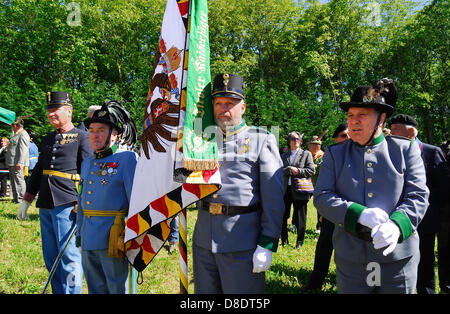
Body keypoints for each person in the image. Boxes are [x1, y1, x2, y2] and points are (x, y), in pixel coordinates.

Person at [314, 78, 429, 293]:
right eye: (350, 115)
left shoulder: (405, 151)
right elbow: (321, 196)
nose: (354, 122)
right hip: (352, 259)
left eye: (362, 115)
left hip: (398, 258)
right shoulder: (335, 154)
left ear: (381, 119)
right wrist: (357, 213)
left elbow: (418, 196)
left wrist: (397, 225)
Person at [192, 73, 285, 294]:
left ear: (243, 107)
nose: (224, 108)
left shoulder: (262, 139)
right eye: (218, 103)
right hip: (203, 239)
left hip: (241, 242)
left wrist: (268, 242)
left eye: (230, 103)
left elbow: (274, 197)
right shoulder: (200, 140)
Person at [18, 91, 93, 294]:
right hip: (46, 203)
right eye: (49, 110)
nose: (51, 114)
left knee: (69, 257)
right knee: (51, 257)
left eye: (55, 109)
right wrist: (26, 199)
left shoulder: (82, 137)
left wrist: (85, 204)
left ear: (68, 111)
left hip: (69, 203)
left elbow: (89, 174)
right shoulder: (49, 138)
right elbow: (40, 170)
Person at [76, 100, 138, 294]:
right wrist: (79, 234)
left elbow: (135, 201)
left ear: (114, 135)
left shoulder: (127, 159)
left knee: (117, 286)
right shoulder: (87, 163)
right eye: (92, 130)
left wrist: (132, 236)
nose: (95, 135)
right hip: (88, 236)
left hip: (113, 236)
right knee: (95, 287)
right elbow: (81, 201)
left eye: (101, 130)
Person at [390, 114, 448, 294]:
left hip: (426, 220)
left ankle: (426, 290)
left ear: (411, 132)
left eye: (395, 131)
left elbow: (444, 186)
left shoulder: (431, 152)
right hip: (397, 218)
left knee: (425, 260)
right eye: (390, 131)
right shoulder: (389, 151)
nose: (391, 135)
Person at [305, 122, 349, 291]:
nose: (348, 139)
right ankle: (315, 282)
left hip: (355, 210)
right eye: (344, 136)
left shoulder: (359, 153)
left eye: (349, 135)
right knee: (325, 245)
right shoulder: (329, 156)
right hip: (333, 209)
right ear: (335, 139)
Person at [281, 131, 315, 248]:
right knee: (283, 216)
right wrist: (288, 170)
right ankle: (284, 240)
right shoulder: (284, 155)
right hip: (286, 190)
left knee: (301, 217)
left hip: (300, 190)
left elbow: (311, 170)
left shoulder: (306, 154)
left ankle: (299, 242)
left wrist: (298, 171)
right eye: (293, 139)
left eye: (298, 139)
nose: (296, 141)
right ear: (289, 141)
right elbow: (279, 171)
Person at [6, 116, 30, 203]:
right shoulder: (17, 134)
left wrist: (20, 162)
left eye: (13, 126)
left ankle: (21, 199)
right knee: (13, 181)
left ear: (16, 126)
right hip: (12, 162)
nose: (12, 127)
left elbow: (23, 150)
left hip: (17, 163)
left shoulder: (23, 134)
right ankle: (16, 198)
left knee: (19, 181)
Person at [307, 134, 325, 233]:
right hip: (307, 185)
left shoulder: (322, 156)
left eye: (315, 145)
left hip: (318, 185)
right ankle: (296, 223)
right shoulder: (308, 155)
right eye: (311, 144)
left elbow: (320, 169)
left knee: (320, 206)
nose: (312, 146)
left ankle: (319, 226)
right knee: (300, 204)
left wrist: (311, 167)